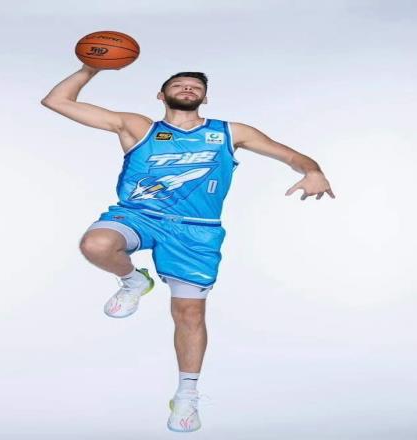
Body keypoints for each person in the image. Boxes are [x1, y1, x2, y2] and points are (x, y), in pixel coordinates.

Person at [41, 65, 335, 432]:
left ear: (205, 98)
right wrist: (90, 68)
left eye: (195, 86)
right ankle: (134, 281)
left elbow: (290, 156)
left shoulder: (230, 132)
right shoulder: (138, 127)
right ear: (161, 96)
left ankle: (186, 396)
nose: (187, 88)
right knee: (96, 244)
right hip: (139, 215)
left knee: (189, 315)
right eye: (178, 84)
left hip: (196, 230)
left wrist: (312, 170)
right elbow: (56, 101)